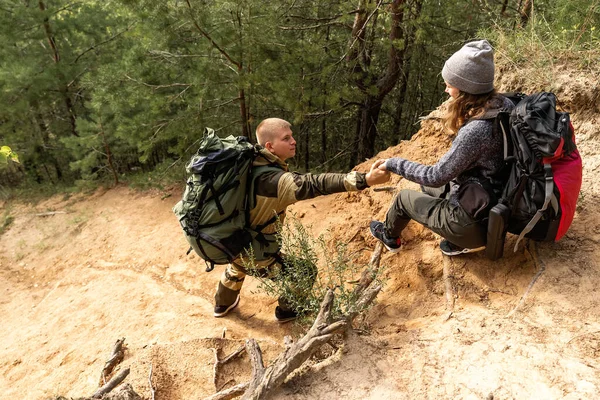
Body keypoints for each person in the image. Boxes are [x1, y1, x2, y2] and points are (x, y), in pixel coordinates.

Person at [214, 117, 390, 321]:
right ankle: (287, 311)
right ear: (270, 146)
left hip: (231, 243)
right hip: (254, 253)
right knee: (305, 271)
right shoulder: (274, 181)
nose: (294, 141)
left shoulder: (247, 165)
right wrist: (366, 180)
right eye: (286, 138)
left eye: (292, 136)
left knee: (237, 264)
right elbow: (314, 183)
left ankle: (222, 304)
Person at [369, 39, 514, 256]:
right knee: (429, 190)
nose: (446, 89)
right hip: (497, 202)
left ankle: (391, 237)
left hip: (474, 222)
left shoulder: (476, 131)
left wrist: (393, 163)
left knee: (403, 199)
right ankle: (457, 240)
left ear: (466, 87)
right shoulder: (505, 106)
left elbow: (435, 176)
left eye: (450, 84)